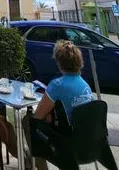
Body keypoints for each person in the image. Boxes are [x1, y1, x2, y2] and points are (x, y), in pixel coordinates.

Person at [22, 40, 95, 170]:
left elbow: (37, 117)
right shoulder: (85, 85)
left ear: (59, 63)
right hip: (88, 142)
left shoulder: (57, 85)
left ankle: (37, 165)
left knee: (28, 122)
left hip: (65, 142)